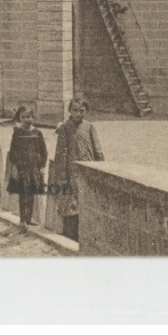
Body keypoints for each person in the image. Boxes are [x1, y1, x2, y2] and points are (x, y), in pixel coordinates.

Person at [51, 97, 103, 242]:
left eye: (82, 110)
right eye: (75, 110)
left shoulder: (90, 126)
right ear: (69, 110)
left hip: (89, 169)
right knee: (71, 206)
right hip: (71, 172)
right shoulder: (65, 128)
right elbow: (60, 153)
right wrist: (61, 175)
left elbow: (97, 149)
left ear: (86, 111)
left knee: (89, 204)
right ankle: (72, 238)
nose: (79, 114)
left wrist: (101, 168)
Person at [6, 104, 48, 225]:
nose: (26, 119)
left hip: (34, 168)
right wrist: (14, 167)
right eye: (23, 117)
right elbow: (12, 151)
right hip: (21, 168)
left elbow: (43, 151)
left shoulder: (38, 133)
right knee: (22, 193)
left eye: (28, 116)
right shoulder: (17, 133)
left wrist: (42, 166)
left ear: (33, 117)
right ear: (19, 118)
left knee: (32, 193)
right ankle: (23, 219)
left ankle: (29, 218)